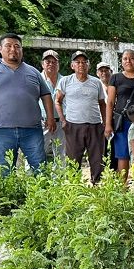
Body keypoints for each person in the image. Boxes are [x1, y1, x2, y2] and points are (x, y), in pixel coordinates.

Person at [0, 33, 56, 171]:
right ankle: (9, 193)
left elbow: (46, 95)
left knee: (39, 168)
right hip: (1, 130)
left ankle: (39, 193)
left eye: (17, 46)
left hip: (32, 130)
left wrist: (51, 117)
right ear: (0, 49)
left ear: (21, 50)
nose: (13, 49)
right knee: (5, 170)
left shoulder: (33, 72)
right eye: (8, 46)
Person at [56, 51, 106, 183]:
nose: (81, 65)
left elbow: (102, 104)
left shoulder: (96, 82)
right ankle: (74, 187)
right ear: (72, 65)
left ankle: (97, 185)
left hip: (94, 125)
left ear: (88, 65)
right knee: (73, 159)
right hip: (73, 126)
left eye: (84, 62)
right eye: (77, 62)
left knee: (97, 159)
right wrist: (63, 120)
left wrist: (106, 123)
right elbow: (58, 101)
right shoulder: (65, 81)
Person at [40, 50, 65, 160]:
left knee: (61, 155)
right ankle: (33, 177)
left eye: (54, 62)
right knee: (37, 152)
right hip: (42, 122)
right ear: (42, 64)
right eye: (48, 61)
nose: (51, 64)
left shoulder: (64, 80)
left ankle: (59, 177)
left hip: (61, 123)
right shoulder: (37, 79)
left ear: (58, 64)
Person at [96, 60, 117, 170]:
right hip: (100, 121)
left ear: (111, 72)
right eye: (101, 71)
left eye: (106, 70)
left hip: (115, 120)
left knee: (115, 147)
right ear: (97, 73)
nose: (104, 73)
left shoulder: (116, 85)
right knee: (101, 148)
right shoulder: (95, 86)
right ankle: (101, 171)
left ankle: (114, 170)